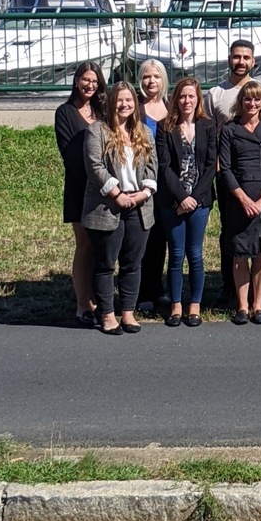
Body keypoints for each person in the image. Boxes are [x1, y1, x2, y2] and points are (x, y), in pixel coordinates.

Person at [204, 39, 261, 307]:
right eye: (237, 56)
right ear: (229, 59)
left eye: (246, 57)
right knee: (231, 236)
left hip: (260, 181)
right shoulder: (215, 93)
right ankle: (232, 291)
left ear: (253, 61)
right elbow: (208, 133)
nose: (241, 61)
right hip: (229, 178)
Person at [81, 81, 157, 335]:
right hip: (107, 207)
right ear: (111, 102)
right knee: (105, 264)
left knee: (132, 264)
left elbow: (152, 166)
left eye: (129, 100)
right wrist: (117, 194)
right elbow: (94, 167)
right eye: (120, 100)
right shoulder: (97, 131)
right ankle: (107, 314)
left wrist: (144, 192)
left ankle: (128, 312)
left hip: (139, 206)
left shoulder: (144, 132)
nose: (125, 105)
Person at [219, 81, 261, 325]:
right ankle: (243, 306)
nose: (253, 104)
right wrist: (244, 199)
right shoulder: (229, 130)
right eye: (248, 99)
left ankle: (258, 305)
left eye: (258, 99)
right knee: (240, 254)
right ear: (241, 102)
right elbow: (225, 168)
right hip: (238, 198)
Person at [155, 77, 217, 327]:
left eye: (191, 96)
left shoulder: (208, 126)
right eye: (182, 96)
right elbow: (164, 166)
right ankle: (176, 304)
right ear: (174, 99)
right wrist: (181, 197)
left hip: (200, 201)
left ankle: (195, 304)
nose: (186, 101)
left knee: (195, 254)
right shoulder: (164, 127)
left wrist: (194, 198)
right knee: (176, 253)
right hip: (172, 200)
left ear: (198, 98)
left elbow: (212, 165)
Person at [54, 61, 107, 326]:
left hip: (106, 189)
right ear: (76, 81)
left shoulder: (102, 111)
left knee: (103, 247)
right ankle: (83, 304)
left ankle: (101, 300)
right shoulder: (65, 112)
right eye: (86, 80)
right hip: (79, 188)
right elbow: (70, 155)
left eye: (95, 81)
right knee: (85, 245)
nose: (89, 85)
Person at [137, 59, 169, 313]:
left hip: (167, 184)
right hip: (140, 183)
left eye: (156, 77)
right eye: (147, 77)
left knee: (162, 239)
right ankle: (141, 292)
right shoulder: (135, 109)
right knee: (142, 239)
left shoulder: (172, 107)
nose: (151, 82)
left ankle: (158, 290)